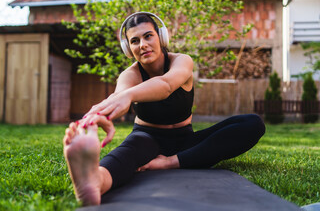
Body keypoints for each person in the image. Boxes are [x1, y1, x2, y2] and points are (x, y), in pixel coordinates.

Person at [63, 12, 266, 206]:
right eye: (134, 41)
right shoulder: (129, 75)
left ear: (161, 37)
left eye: (148, 36)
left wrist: (129, 95)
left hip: (185, 140)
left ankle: (171, 162)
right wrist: (95, 118)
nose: (143, 45)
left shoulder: (181, 61)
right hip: (147, 138)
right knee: (126, 155)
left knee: (252, 124)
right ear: (128, 48)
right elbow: (118, 98)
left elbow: (166, 85)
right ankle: (95, 181)